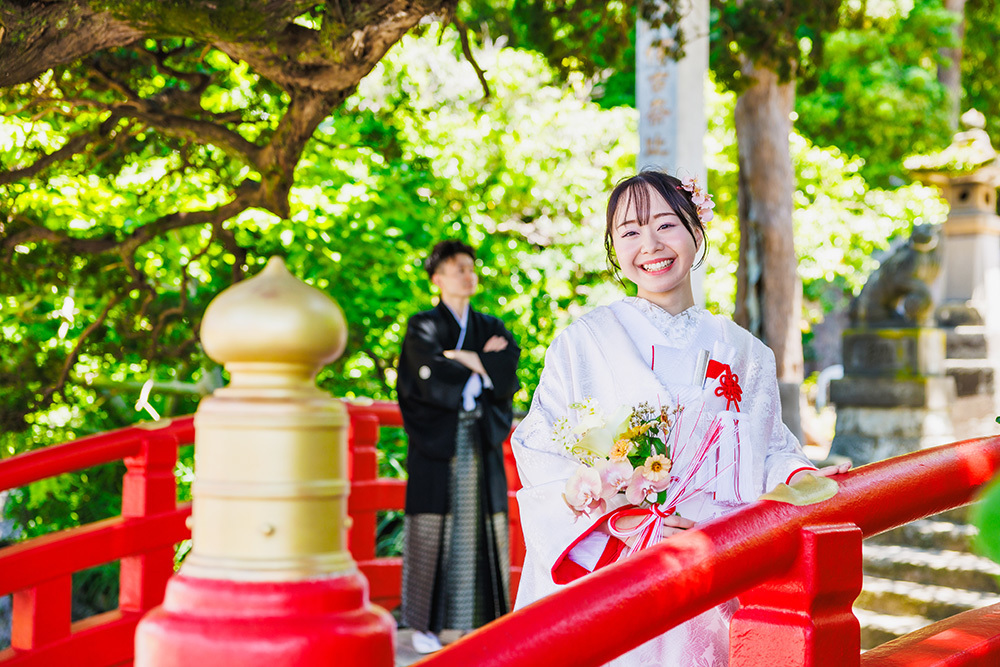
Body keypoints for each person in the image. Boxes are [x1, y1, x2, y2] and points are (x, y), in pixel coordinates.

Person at [510, 170, 850, 666]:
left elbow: (769, 448)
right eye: (629, 232)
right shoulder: (584, 342)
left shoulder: (744, 352)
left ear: (696, 228)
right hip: (618, 564)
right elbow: (540, 446)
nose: (650, 245)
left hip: (707, 561)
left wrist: (802, 478)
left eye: (666, 224)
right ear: (613, 248)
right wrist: (616, 512)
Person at [396, 239, 521, 654]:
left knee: (481, 530)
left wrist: (458, 357)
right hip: (439, 441)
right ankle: (425, 625)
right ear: (437, 279)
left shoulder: (490, 325)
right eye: (458, 269)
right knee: (433, 528)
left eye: (471, 268)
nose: (468, 275)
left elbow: (509, 363)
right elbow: (425, 371)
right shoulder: (423, 326)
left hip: (480, 437)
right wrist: (481, 361)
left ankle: (479, 624)